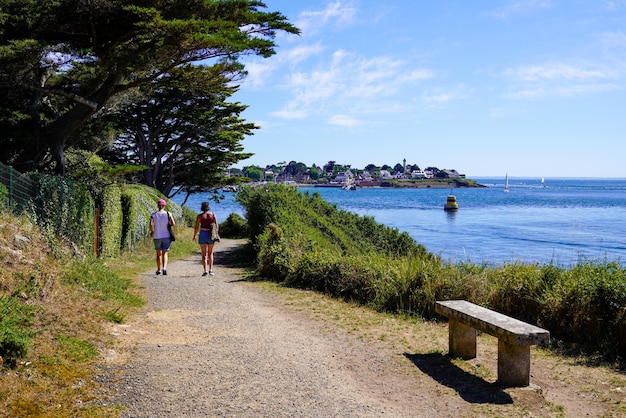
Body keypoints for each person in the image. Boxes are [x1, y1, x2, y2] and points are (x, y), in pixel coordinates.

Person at [193, 201, 218, 276]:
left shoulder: (200, 216)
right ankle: (211, 270)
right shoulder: (213, 215)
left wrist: (194, 236)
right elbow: (216, 225)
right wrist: (216, 234)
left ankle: (205, 271)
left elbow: (196, 227)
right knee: (210, 253)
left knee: (204, 254)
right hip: (210, 234)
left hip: (203, 233)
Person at [150, 199, 175, 276]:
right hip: (166, 236)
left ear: (158, 205)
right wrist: (168, 225)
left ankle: (158, 269)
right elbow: (173, 223)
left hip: (157, 236)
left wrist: (152, 232)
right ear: (164, 205)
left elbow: (151, 224)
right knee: (165, 253)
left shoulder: (153, 215)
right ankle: (164, 268)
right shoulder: (168, 214)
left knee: (158, 254)